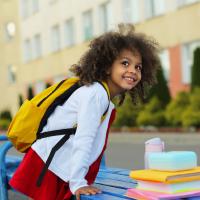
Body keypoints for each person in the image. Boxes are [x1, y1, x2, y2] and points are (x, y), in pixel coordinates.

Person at [9, 23, 160, 200]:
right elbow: (84, 139)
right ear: (106, 66)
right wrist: (78, 183)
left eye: (138, 67)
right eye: (125, 63)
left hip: (57, 165)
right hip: (52, 167)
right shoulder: (95, 94)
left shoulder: (100, 95)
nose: (133, 71)